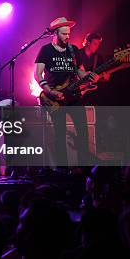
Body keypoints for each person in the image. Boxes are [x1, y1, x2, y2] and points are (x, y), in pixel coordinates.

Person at [34, 17, 98, 166]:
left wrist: (89, 76)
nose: (68, 37)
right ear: (55, 34)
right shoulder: (45, 50)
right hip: (55, 97)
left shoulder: (73, 49)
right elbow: (37, 74)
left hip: (74, 96)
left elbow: (80, 72)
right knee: (59, 135)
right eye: (64, 34)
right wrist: (49, 92)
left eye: (69, 34)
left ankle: (83, 168)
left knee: (83, 133)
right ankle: (63, 169)